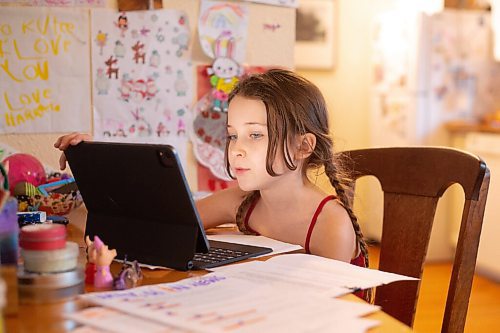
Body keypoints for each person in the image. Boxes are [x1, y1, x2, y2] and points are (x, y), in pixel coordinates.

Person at [54, 69, 369, 275]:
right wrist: (96, 165)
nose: (237, 149)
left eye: (255, 135)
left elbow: (331, 313)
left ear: (303, 147)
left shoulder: (331, 226)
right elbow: (161, 220)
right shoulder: (243, 201)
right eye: (233, 135)